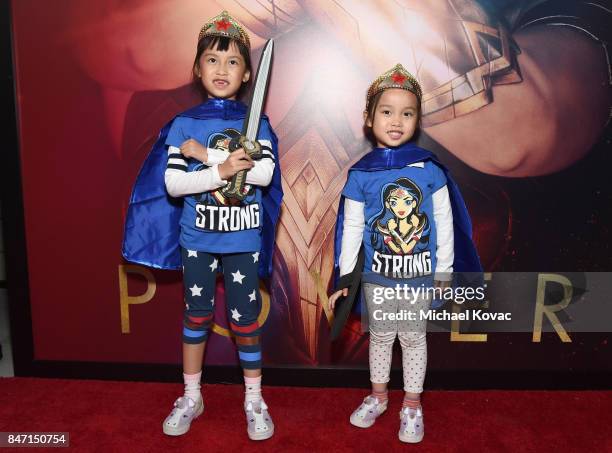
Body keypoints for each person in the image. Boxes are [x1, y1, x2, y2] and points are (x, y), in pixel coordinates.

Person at [122, 11, 282, 441]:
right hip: (198, 237)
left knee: (245, 319)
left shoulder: (258, 124)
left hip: (243, 237)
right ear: (197, 69)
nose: (222, 69)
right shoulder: (184, 125)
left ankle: (254, 398)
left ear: (248, 73)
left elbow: (263, 175)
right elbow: (174, 183)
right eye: (213, 59)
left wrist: (211, 157)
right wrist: (224, 170)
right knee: (196, 316)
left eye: (232, 61)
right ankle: (192, 395)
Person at [329, 64, 481, 443]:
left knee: (413, 339)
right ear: (368, 118)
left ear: (417, 121)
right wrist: (346, 278)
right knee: (380, 338)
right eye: (386, 111)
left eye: (407, 113)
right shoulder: (361, 174)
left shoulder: (429, 171)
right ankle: (378, 397)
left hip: (419, 277)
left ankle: (412, 404)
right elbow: (351, 229)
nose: (396, 121)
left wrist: (444, 271)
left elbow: (445, 222)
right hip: (378, 277)